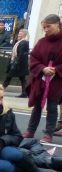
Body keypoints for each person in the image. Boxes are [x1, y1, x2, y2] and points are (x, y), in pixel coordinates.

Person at [25, 15, 62, 143]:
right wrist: (42, 68)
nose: (46, 30)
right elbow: (33, 58)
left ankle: (48, 134)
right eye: (44, 28)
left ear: (57, 24)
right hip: (41, 79)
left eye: (48, 26)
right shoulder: (41, 42)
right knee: (37, 105)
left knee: (52, 107)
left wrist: (56, 69)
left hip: (57, 80)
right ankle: (30, 131)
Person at [3, 29, 30, 98]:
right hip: (17, 62)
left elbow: (21, 54)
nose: (19, 35)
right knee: (22, 78)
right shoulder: (20, 42)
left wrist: (16, 62)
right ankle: (25, 92)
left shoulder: (23, 43)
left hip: (18, 63)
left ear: (24, 35)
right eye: (19, 33)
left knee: (9, 77)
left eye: (20, 34)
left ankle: (0, 90)